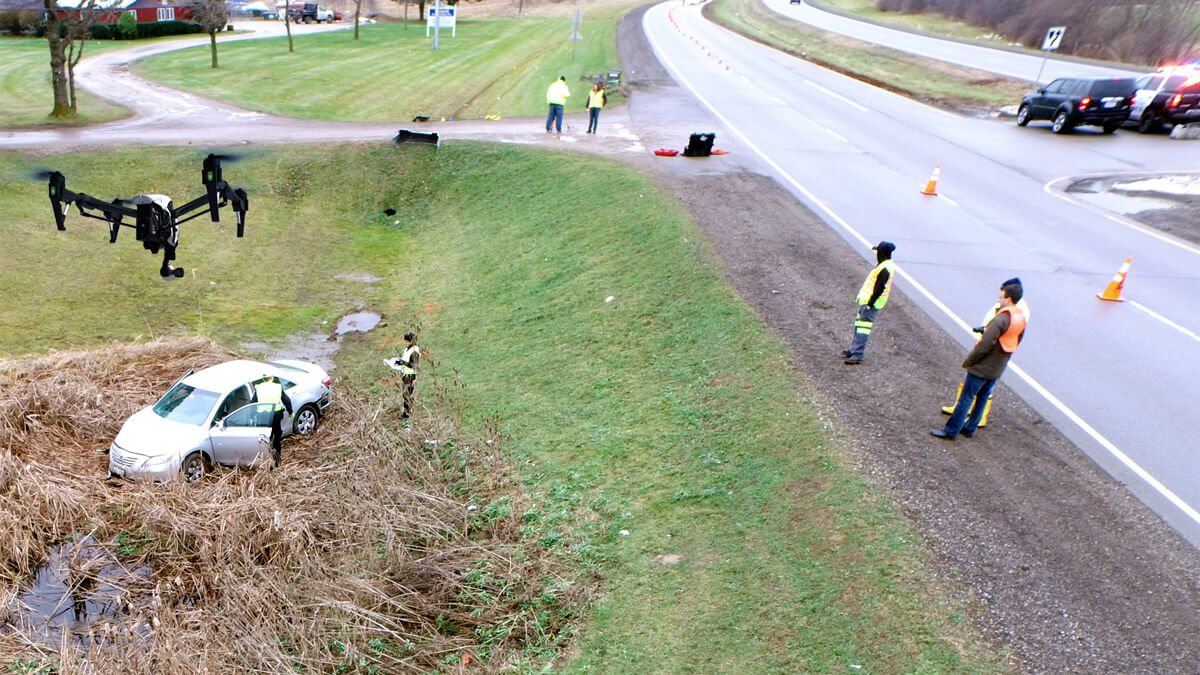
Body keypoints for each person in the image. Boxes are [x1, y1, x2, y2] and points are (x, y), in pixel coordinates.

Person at [931, 281, 1027, 441]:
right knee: (983, 397)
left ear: (1008, 298)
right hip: (998, 366)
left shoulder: (1001, 319)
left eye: (1001, 296)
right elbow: (1016, 340)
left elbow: (984, 345)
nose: (999, 298)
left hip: (983, 366)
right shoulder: (1020, 318)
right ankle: (970, 428)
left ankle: (951, 430)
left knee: (966, 398)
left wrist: (970, 361)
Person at [842, 241, 896, 365]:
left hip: (871, 303)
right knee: (859, 325)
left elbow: (879, 287)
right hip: (866, 301)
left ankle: (857, 354)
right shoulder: (884, 265)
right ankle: (854, 349)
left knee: (863, 328)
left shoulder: (885, 268)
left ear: (882, 253)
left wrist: (871, 302)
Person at [253, 376, 293, 465]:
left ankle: (265, 460)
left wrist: (251, 417)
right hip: (276, 416)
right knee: (277, 438)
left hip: (263, 417)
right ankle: (277, 460)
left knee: (265, 439)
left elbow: (253, 403)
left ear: (263, 379)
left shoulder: (258, 388)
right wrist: (290, 412)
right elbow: (287, 400)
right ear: (271, 378)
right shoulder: (277, 387)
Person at [385, 332, 420, 419]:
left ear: (410, 341)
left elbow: (413, 365)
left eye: (406, 341)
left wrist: (402, 362)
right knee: (405, 394)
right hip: (405, 374)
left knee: (407, 394)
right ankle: (407, 411)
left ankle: (407, 413)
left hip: (410, 376)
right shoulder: (407, 349)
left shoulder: (414, 351)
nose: (405, 343)